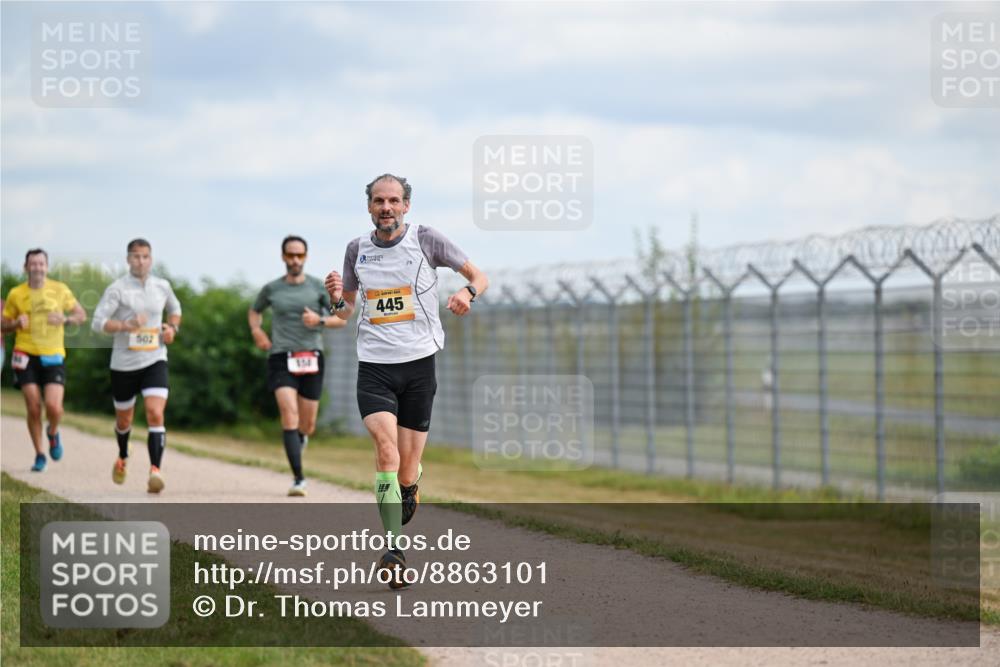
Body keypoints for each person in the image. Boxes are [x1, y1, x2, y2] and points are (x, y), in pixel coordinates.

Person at [325, 173, 488, 587]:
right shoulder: (356, 250)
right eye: (379, 200)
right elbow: (344, 313)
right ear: (369, 207)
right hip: (374, 366)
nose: (386, 207)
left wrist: (467, 294)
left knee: (406, 469)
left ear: (406, 206)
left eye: (394, 200)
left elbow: (478, 276)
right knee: (386, 451)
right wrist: (333, 297)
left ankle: (411, 486)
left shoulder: (426, 239)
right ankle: (394, 550)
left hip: (418, 365)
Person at [249, 235, 346, 497]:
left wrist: (320, 320)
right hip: (281, 357)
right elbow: (254, 311)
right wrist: (257, 331)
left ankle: (301, 439)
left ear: (305, 257)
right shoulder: (272, 289)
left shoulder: (316, 287)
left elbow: (342, 318)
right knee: (288, 414)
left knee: (308, 424)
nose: (294, 260)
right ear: (283, 257)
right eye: (290, 255)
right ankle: (298, 479)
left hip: (311, 357)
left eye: (299, 255)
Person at [91, 239, 181, 493]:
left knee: (155, 412)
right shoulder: (117, 289)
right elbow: (98, 323)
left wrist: (172, 328)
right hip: (123, 364)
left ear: (151, 259)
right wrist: (124, 326)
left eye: (145, 257)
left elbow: (175, 309)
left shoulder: (162, 286)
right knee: (124, 420)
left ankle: (155, 471)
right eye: (136, 257)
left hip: (155, 359)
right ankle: (122, 455)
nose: (141, 261)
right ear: (128, 259)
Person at [1, 249, 87, 472]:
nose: (37, 267)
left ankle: (52, 432)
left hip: (53, 354)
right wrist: (14, 324)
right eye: (33, 263)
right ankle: (40, 454)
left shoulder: (59, 290)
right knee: (33, 407)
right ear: (25, 267)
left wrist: (66, 319)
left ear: (47, 267)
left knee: (54, 408)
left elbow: (81, 315)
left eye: (41, 264)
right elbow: (3, 325)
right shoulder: (16, 294)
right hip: (25, 354)